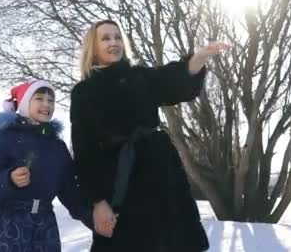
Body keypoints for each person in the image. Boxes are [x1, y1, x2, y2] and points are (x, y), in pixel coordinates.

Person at [70, 19, 230, 251]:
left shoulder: (140, 77)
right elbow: (85, 152)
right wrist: (98, 201)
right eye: (105, 38)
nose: (113, 42)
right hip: (118, 184)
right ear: (92, 47)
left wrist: (200, 57)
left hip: (161, 176)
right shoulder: (84, 92)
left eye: (117, 37)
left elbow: (173, 80)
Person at [0, 80, 93, 252]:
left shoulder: (57, 146)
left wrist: (93, 219)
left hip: (44, 228)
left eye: (50, 100)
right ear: (24, 103)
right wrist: (9, 180)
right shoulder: (5, 137)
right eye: (39, 98)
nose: (46, 104)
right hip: (6, 225)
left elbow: (70, 192)